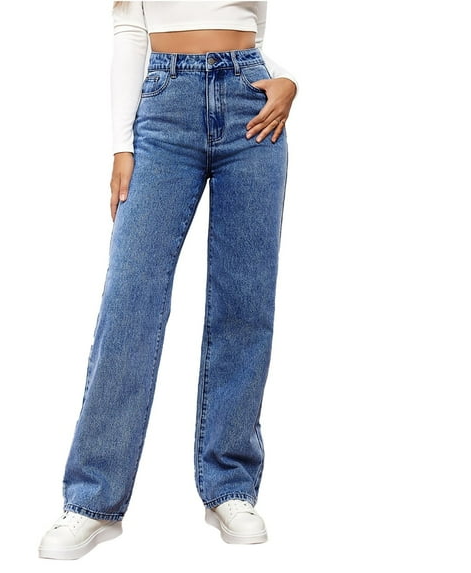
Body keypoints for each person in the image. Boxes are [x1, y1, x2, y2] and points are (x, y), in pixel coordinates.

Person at [39, 0, 297, 559]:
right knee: (129, 301)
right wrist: (121, 144)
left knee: (245, 301)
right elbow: (130, 31)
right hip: (164, 109)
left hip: (253, 111)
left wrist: (287, 82)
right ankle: (93, 500)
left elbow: (251, 33)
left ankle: (230, 487)